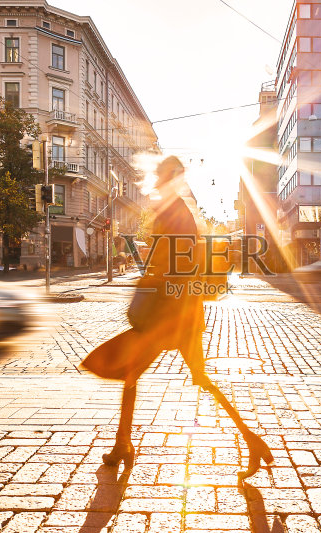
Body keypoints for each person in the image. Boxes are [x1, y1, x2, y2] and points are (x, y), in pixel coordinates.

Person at [81, 156, 273, 479]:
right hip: (176, 314)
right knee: (141, 373)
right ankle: (123, 442)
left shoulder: (176, 214)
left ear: (176, 178)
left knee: (143, 372)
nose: (158, 181)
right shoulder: (174, 212)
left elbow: (176, 268)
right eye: (158, 176)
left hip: (173, 317)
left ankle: (250, 440)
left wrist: (152, 275)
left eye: (163, 176)